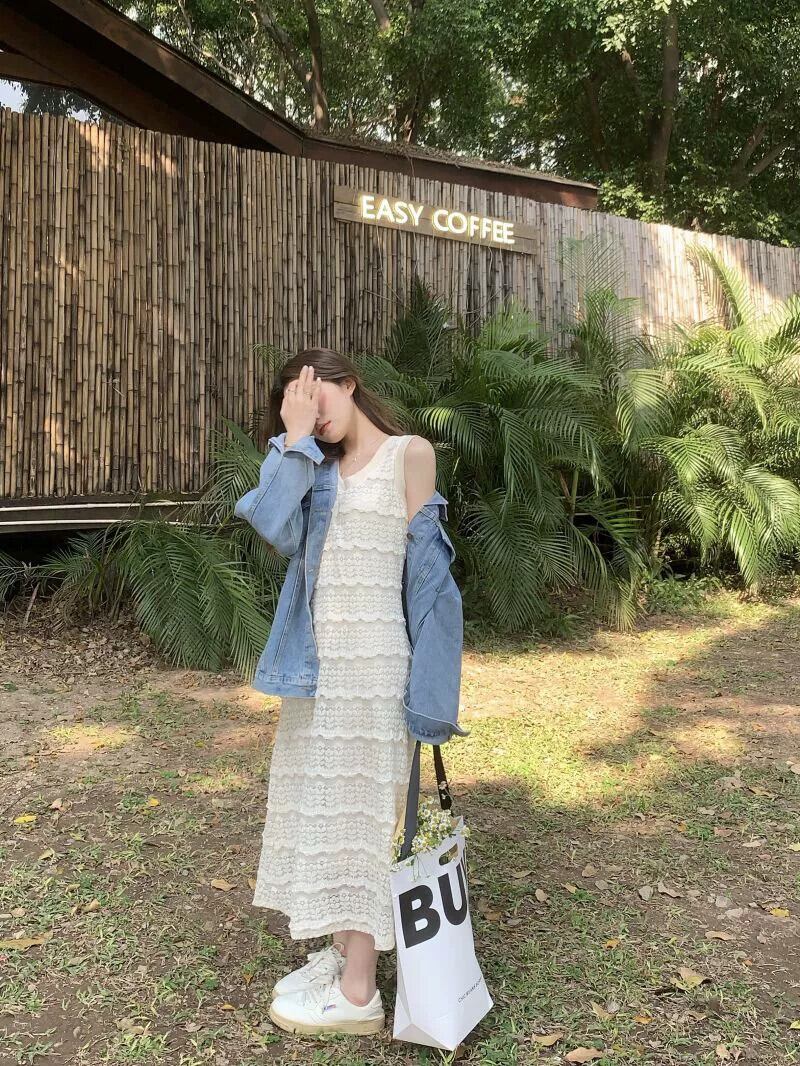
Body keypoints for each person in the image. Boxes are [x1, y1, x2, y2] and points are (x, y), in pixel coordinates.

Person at [234, 347, 466, 1038]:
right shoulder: (309, 466)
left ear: (349, 384)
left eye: (317, 398)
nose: (313, 415)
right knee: (325, 814)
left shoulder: (409, 455)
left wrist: (432, 691)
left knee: (362, 821)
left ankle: (359, 992)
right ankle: (342, 958)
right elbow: (269, 524)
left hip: (374, 671)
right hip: (315, 673)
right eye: (296, 407)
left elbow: (431, 579)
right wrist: (294, 442)